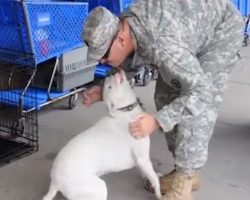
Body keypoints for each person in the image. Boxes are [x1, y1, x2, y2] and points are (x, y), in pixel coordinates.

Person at [82, 0, 244, 199]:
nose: (102, 61)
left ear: (121, 39)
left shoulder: (162, 44)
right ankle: (184, 170)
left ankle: (185, 182)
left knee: (196, 106)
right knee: (165, 96)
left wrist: (157, 121)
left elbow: (201, 93)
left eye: (104, 56)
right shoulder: (127, 23)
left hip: (221, 31)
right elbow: (133, 58)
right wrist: (104, 92)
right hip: (188, 30)